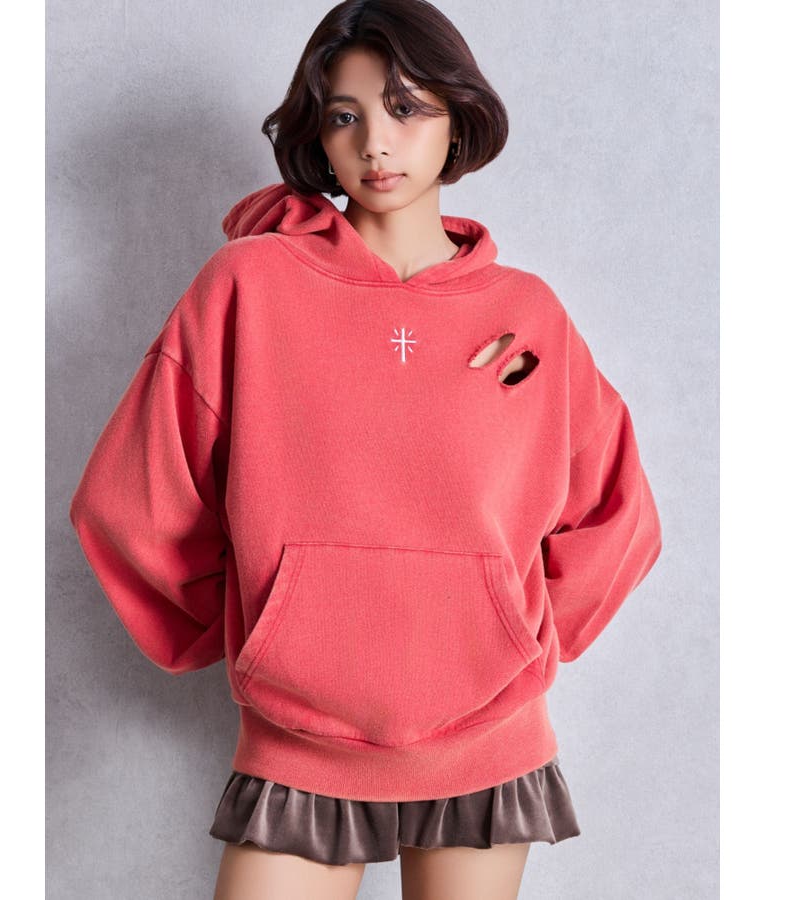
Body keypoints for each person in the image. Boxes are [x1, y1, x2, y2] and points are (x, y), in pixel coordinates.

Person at [68, 1, 663, 898]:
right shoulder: (248, 287)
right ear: (319, 133)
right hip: (298, 738)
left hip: (489, 737)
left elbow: (617, 509)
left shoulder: (524, 317)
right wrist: (260, 629)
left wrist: (515, 634)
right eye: (345, 116)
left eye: (406, 108)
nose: (375, 143)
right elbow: (129, 501)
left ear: (458, 116)